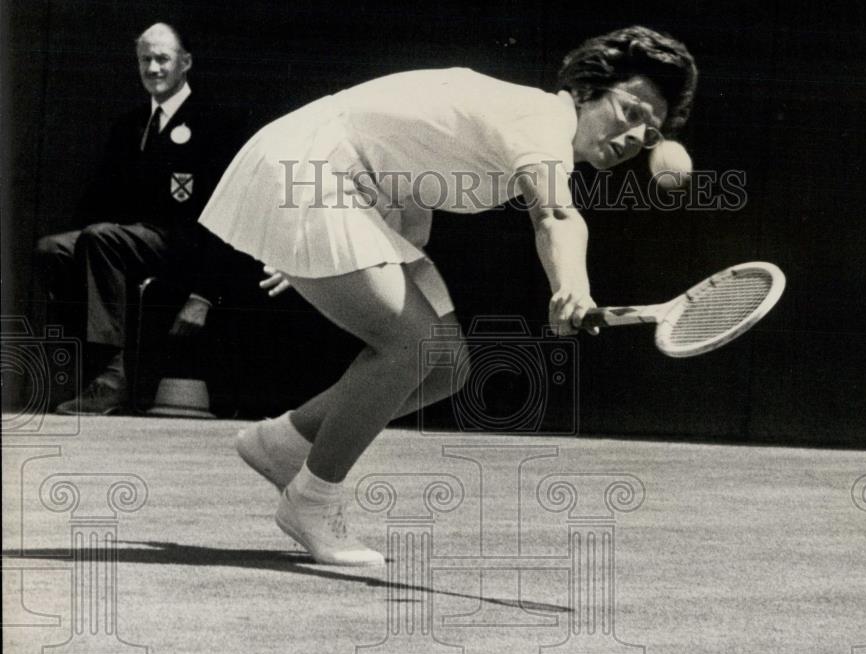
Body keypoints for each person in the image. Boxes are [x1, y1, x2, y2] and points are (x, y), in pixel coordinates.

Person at [200, 26, 698, 566]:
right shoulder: (540, 118)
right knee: (410, 346)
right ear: (588, 90)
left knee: (443, 365)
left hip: (350, 187)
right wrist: (572, 288)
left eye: (650, 134)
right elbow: (555, 215)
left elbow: (407, 174)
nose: (635, 138)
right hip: (311, 168)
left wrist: (316, 254)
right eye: (630, 112)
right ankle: (312, 500)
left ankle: (285, 444)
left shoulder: (526, 132)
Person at [34, 23, 247, 415]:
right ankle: (89, 367)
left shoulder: (214, 123)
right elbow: (95, 203)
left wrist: (203, 294)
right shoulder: (129, 125)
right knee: (53, 249)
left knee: (100, 239)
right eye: (145, 59)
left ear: (186, 63)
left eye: (162, 58)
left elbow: (227, 216)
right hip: (128, 242)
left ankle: (114, 377)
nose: (153, 68)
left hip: (184, 245)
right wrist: (82, 240)